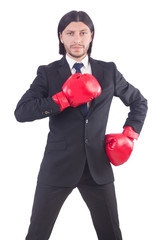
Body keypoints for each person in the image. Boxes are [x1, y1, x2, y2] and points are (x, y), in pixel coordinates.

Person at [14, 10, 148, 240]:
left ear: (91, 36)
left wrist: (130, 133)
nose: (77, 39)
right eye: (70, 33)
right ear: (61, 37)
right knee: (36, 235)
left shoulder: (109, 71)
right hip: (57, 167)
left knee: (112, 235)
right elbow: (22, 112)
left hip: (98, 167)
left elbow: (139, 102)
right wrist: (62, 100)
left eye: (83, 32)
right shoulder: (48, 73)